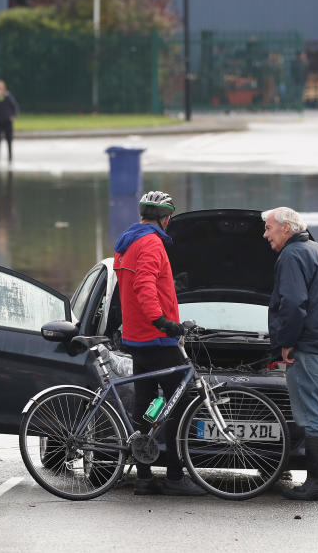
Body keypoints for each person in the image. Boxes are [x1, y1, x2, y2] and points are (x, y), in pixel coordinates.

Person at [113, 191, 205, 497]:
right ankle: (176, 475)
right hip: (156, 336)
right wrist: (162, 320)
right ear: (165, 219)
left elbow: (135, 282)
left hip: (136, 337)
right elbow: (143, 285)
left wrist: (171, 286)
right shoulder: (152, 242)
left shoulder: (126, 242)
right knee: (180, 399)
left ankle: (144, 476)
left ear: (142, 216)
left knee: (147, 401)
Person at [262, 206, 318, 501]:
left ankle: (317, 484)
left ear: (286, 228)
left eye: (269, 228)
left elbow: (293, 303)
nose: (265, 234)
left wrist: (286, 342)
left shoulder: (292, 255)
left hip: (305, 347)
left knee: (311, 415)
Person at [0, 80, 19, 164]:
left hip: (7, 122)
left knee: (9, 140)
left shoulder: (8, 96)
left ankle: (10, 157)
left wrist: (13, 116)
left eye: (0, 88)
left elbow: (15, 107)